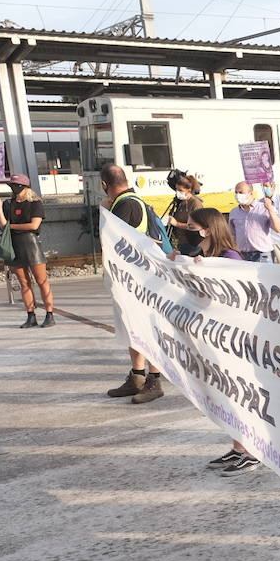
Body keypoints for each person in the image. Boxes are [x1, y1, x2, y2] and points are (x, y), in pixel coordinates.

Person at [179, 208, 262, 474]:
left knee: (239, 397)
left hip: (235, 343)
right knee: (226, 395)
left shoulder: (230, 257)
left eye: (192, 227)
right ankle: (238, 447)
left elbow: (236, 300)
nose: (187, 230)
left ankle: (252, 451)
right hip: (217, 341)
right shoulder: (206, 255)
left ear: (208, 229)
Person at [100, 165, 167, 404]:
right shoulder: (130, 202)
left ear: (104, 184)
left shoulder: (126, 205)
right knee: (132, 328)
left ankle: (154, 380)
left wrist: (105, 214)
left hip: (138, 281)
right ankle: (137, 377)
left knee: (145, 329)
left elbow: (115, 240)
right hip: (134, 279)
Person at [0, 174, 55, 329]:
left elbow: (33, 226)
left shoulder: (35, 203)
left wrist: (11, 227)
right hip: (14, 245)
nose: (14, 188)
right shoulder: (8, 204)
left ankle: (49, 314)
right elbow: (2, 225)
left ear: (25, 186)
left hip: (30, 244)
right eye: (12, 185)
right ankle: (30, 315)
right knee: (24, 283)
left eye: (16, 185)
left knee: (41, 281)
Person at [227, 181, 280, 263]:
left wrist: (270, 209)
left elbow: (278, 229)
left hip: (262, 255)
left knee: (264, 276)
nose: (237, 195)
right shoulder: (234, 212)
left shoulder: (264, 208)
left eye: (241, 192)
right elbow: (232, 234)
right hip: (243, 255)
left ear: (251, 193)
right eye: (236, 192)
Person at [162, 171, 205, 257]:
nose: (178, 192)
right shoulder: (181, 203)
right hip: (182, 242)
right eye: (177, 190)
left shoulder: (195, 204)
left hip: (193, 244)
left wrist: (177, 224)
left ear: (189, 190)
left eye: (181, 190)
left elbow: (197, 226)